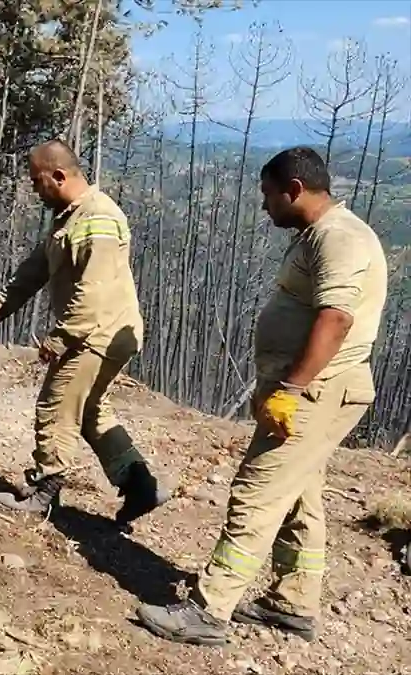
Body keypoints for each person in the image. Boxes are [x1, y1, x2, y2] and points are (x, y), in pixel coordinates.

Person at [136, 147, 388, 646]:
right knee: (299, 495)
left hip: (319, 391)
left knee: (257, 492)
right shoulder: (322, 234)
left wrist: (291, 389)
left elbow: (336, 318)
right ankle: (292, 602)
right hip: (315, 391)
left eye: (269, 195)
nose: (265, 205)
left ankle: (209, 612)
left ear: (294, 189)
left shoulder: (339, 239)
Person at [0, 139, 167, 526]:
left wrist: (60, 340)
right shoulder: (71, 217)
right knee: (90, 410)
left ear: (59, 176)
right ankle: (140, 485)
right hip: (98, 332)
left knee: (56, 407)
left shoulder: (98, 219)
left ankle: (44, 491)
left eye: (37, 181)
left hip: (95, 335)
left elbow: (92, 292)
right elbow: (36, 268)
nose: (35, 189)